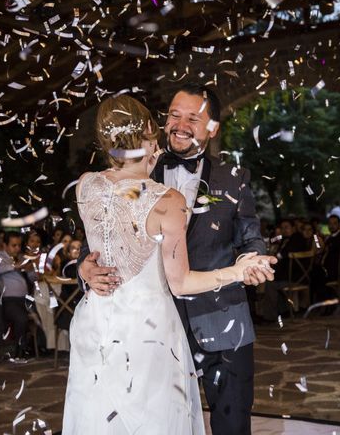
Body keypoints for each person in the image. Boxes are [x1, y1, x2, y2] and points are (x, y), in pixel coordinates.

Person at [77, 87, 276, 435]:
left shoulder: (234, 178)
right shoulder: (136, 169)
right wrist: (85, 269)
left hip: (222, 323)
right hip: (152, 333)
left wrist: (250, 261)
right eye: (173, 114)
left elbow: (250, 236)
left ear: (212, 127)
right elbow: (95, 242)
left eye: (193, 118)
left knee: (232, 425)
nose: (180, 125)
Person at [0, 232, 36, 361]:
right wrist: (14, 266)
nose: (17, 248)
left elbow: (33, 278)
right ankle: (19, 351)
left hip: (25, 299)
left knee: (46, 309)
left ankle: (39, 346)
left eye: (19, 245)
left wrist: (31, 270)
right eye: (14, 245)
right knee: (21, 318)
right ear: (5, 245)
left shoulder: (21, 257)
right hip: (6, 300)